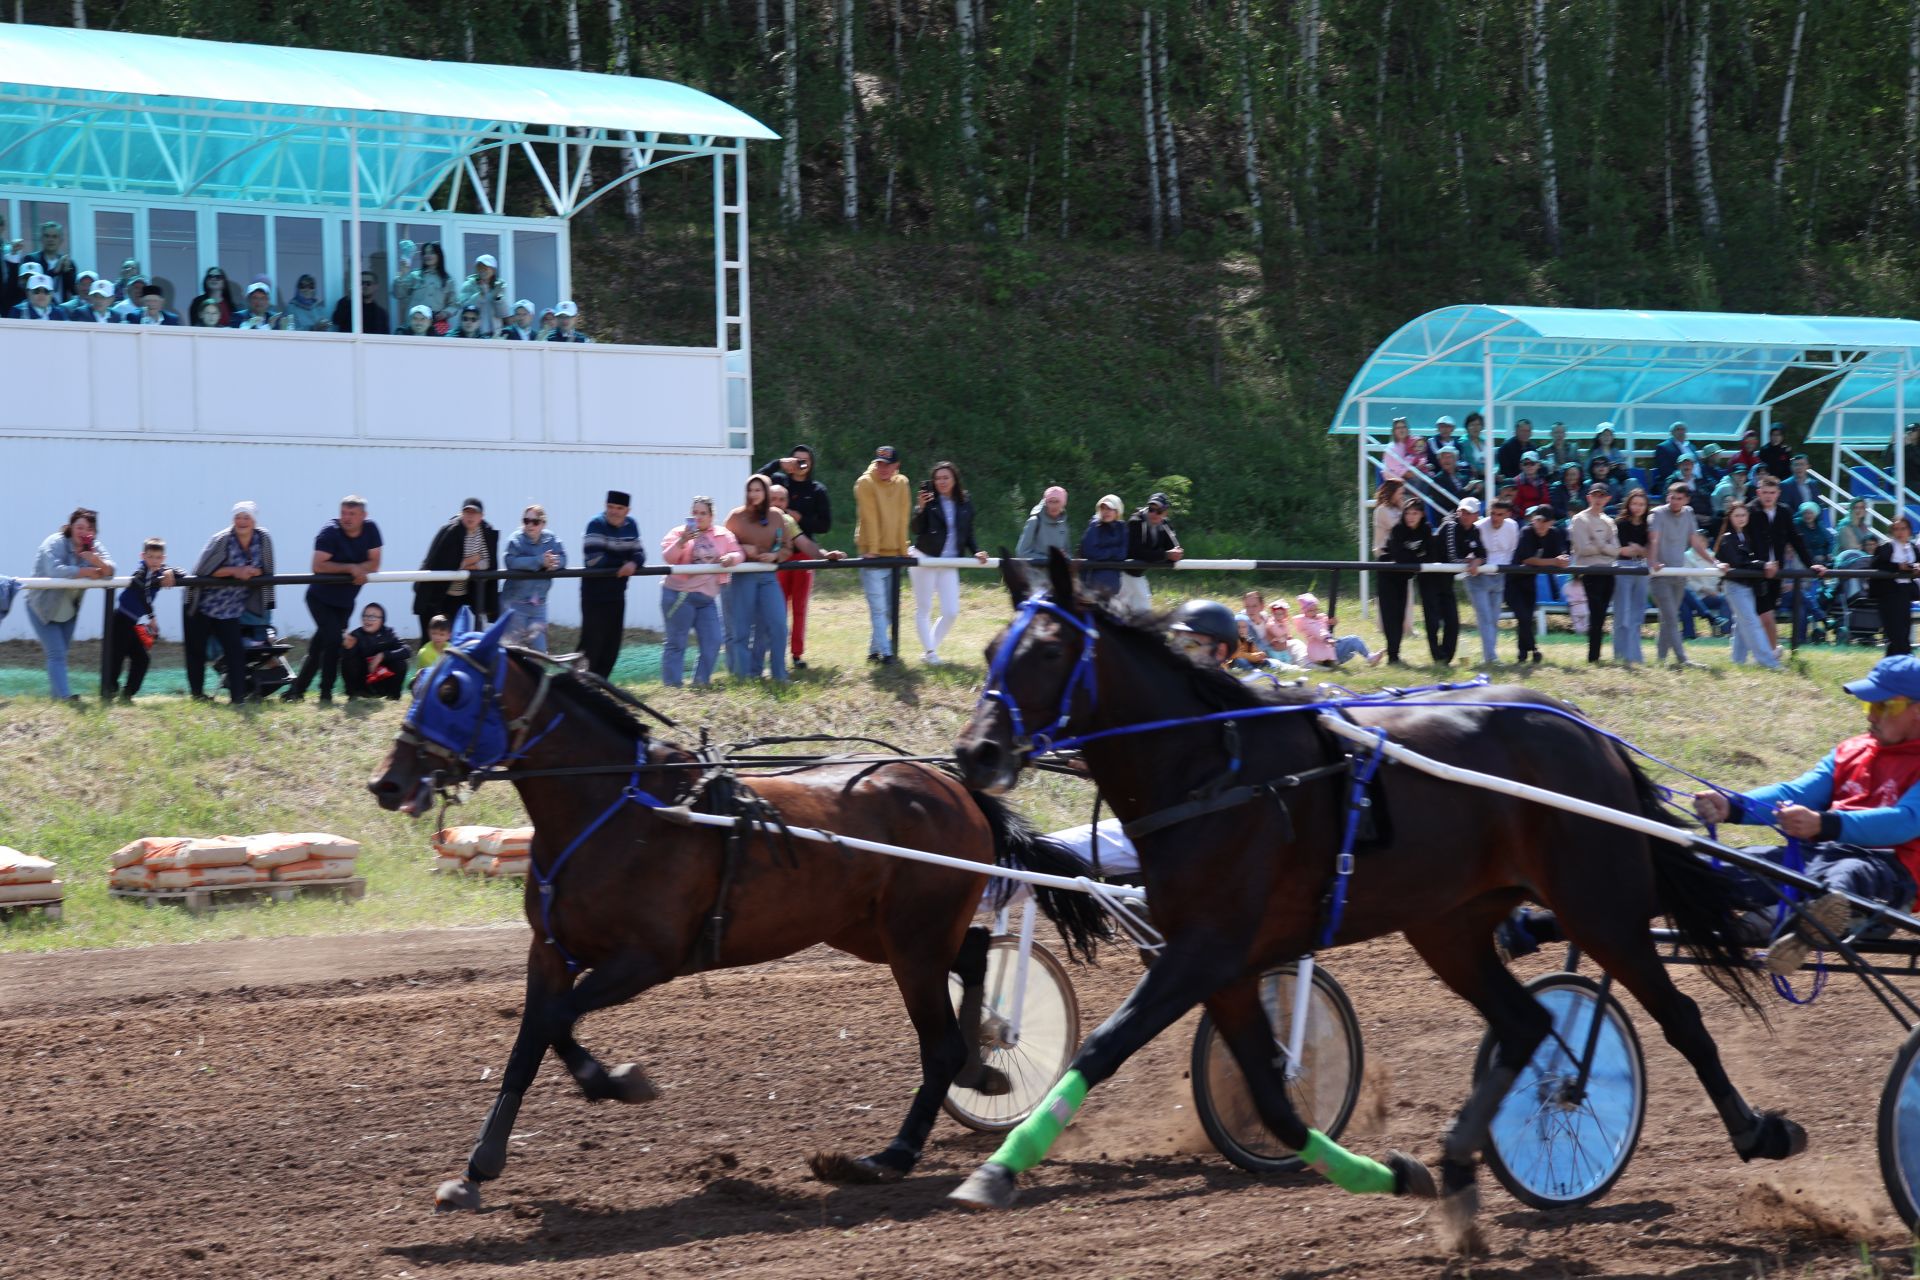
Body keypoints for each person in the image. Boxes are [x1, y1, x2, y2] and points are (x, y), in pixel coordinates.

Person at [1507, 655, 1920, 977]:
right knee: (1694, 872)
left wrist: (1825, 824)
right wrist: (1732, 805)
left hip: (1888, 870)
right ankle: (1537, 927)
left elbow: (1905, 821)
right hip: (1815, 856)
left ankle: (1809, 921)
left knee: (1843, 878)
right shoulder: (1852, 750)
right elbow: (1794, 793)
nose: (1870, 714)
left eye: (1885, 705)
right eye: (1869, 702)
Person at [283, 495, 384, 704]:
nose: (346, 518)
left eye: (352, 514)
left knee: (318, 646)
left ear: (364, 516)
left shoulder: (371, 529)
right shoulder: (329, 531)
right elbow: (318, 566)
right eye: (343, 513)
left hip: (345, 602)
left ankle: (297, 691)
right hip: (320, 598)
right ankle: (325, 693)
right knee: (333, 642)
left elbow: (374, 564)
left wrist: (359, 569)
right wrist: (351, 568)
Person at [184, 502, 275, 705]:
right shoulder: (222, 539)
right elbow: (203, 570)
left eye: (246, 517)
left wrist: (254, 571)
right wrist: (236, 571)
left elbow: (267, 569)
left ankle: (238, 698)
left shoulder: (263, 539)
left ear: (254, 520)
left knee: (236, 652)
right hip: (202, 603)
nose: (242, 522)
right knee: (196, 651)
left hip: (231, 607)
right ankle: (197, 695)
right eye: (238, 517)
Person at [28, 507, 114, 701]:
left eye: (89, 528)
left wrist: (95, 560)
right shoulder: (54, 542)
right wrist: (85, 571)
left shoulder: (94, 546)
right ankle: (66, 698)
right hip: (42, 608)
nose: (84, 532)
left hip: (69, 610)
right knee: (56, 654)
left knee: (61, 654)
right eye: (80, 527)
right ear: (70, 527)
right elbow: (54, 570)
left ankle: (56, 697)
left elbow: (111, 570)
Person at [759, 446, 832, 669]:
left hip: (803, 551)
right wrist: (780, 462)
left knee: (799, 606)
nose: (801, 465)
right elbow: (757, 480)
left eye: (805, 461)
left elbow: (825, 525)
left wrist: (801, 518)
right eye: (796, 460)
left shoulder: (817, 489)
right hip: (777, 551)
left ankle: (797, 653)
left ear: (811, 463)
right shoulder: (780, 479)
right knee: (777, 605)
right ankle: (774, 651)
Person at [909, 461, 989, 666]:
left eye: (946, 477)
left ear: (954, 479)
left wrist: (976, 551)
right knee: (924, 608)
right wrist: (921, 508)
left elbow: (968, 533)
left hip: (950, 560)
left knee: (951, 611)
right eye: (938, 478)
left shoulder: (965, 502)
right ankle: (930, 652)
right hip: (925, 557)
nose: (942, 482)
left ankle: (929, 651)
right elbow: (916, 529)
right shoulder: (930, 502)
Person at [660, 497, 744, 686]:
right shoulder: (678, 532)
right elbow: (668, 558)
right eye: (695, 513)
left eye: (703, 513)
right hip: (678, 595)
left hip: (706, 598)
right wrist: (682, 541)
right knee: (676, 643)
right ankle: (673, 687)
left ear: (711, 516)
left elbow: (740, 553)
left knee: (713, 641)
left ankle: (701, 681)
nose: (698, 517)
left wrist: (731, 558)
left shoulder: (723, 535)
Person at [724, 475, 792, 681]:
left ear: (766, 492)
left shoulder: (776, 516)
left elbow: (787, 546)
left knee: (779, 625)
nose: (753, 494)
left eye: (758, 490)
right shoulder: (736, 517)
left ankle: (779, 674)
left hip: (768, 576)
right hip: (743, 577)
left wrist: (775, 556)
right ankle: (743, 677)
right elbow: (724, 544)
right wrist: (742, 549)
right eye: (750, 490)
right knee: (742, 629)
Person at [1749, 476, 1826, 655]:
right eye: (1765, 492)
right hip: (1755, 570)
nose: (1768, 496)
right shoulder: (1750, 511)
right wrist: (1757, 564)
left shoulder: (1784, 512)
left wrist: (1812, 564)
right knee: (1763, 614)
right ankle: (1771, 651)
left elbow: (1796, 539)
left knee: (1763, 614)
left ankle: (1754, 652)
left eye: (1772, 493)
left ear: (1778, 493)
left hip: (1777, 571)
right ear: (1758, 492)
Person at [1649, 481, 1718, 666]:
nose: (1675, 502)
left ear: (1686, 499)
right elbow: (1653, 540)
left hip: (1679, 574)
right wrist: (1653, 561)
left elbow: (1695, 542)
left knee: (1667, 619)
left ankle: (1660, 660)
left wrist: (1715, 561)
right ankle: (1683, 659)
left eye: (1679, 498)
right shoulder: (1657, 514)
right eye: (1672, 497)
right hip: (1660, 575)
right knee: (1671, 616)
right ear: (1667, 497)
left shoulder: (1688, 513)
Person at [579, 490, 647, 680]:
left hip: (617, 593)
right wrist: (624, 563)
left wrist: (633, 563)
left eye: (619, 508)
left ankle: (599, 685)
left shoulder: (632, 525)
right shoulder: (596, 524)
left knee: (612, 646)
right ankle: (579, 686)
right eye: (610, 507)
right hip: (594, 594)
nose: (614, 512)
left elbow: (640, 554)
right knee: (591, 644)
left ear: (627, 510)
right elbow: (594, 559)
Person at [854, 444, 912, 664]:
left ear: (896, 465)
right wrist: (873, 551)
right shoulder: (865, 483)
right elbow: (869, 518)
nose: (883, 468)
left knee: (889, 609)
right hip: (872, 554)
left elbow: (902, 517)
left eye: (887, 464)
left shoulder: (902, 483)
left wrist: (903, 550)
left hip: (894, 555)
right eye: (879, 463)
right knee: (878, 607)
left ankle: (874, 651)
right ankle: (887, 654)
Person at [414, 499, 499, 641]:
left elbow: (487, 563)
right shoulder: (450, 531)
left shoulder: (486, 532)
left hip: (464, 595)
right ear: (461, 514)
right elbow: (440, 563)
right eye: (467, 512)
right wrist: (471, 560)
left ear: (481, 516)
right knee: (432, 638)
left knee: (456, 638)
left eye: (474, 513)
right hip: (438, 594)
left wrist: (464, 565)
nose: (470, 517)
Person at [107, 538, 179, 701]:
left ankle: (127, 694)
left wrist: (169, 571)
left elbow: (181, 572)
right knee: (116, 658)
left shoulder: (160, 571)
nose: (154, 561)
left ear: (163, 558)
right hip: (120, 620)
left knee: (141, 659)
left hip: (131, 622)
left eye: (158, 558)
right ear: (143, 556)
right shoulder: (141, 573)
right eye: (150, 557)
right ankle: (109, 692)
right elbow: (142, 593)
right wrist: (152, 617)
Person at [1713, 503, 1782, 670]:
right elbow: (1738, 562)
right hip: (1735, 586)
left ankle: (1738, 661)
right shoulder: (1728, 538)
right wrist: (1763, 565)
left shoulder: (1745, 536)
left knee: (1743, 624)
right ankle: (1769, 662)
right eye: (1737, 515)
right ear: (1730, 517)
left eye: (1743, 515)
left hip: (1746, 586)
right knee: (1751, 622)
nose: (1741, 518)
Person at [499, 505, 566, 653]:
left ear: (543, 524)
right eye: (526, 521)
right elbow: (510, 561)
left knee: (540, 652)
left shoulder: (552, 539)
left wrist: (553, 563)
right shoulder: (515, 540)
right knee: (512, 652)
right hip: (515, 605)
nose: (529, 525)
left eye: (534, 522)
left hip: (538, 606)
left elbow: (563, 558)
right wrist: (540, 561)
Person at [1568, 483, 1621, 664]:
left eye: (1602, 496)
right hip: (1591, 571)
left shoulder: (1609, 521)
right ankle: (1593, 656)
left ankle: (1596, 655)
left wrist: (1597, 544)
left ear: (1607, 499)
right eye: (1595, 495)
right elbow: (1583, 548)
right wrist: (1604, 546)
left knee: (1602, 614)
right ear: (1589, 497)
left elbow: (1616, 550)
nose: (1598, 499)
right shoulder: (1580, 519)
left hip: (1609, 571)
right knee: (1596, 613)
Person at [1513, 505, 1570, 663]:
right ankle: (1534, 649)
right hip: (1513, 581)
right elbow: (1527, 559)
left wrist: (1563, 559)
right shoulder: (1526, 532)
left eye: (1544, 521)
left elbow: (1561, 553)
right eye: (1537, 520)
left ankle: (1522, 654)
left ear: (1551, 522)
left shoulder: (1554, 534)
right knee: (1523, 617)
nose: (1540, 524)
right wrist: (1555, 561)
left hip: (1530, 580)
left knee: (1526, 618)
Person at [1430, 498, 1484, 664]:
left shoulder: (1474, 531)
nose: (1465, 516)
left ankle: (1445, 659)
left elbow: (1482, 553)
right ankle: (1438, 657)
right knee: (1433, 622)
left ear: (1476, 515)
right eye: (1462, 512)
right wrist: (1471, 562)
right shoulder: (1450, 526)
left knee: (1452, 621)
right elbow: (1452, 559)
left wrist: (1478, 560)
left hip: (1446, 580)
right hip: (1431, 578)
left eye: (1469, 513)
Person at [1378, 501, 1430, 665]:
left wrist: (1415, 559)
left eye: (1415, 513)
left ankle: (1395, 654)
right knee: (1390, 616)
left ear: (1421, 514)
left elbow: (1431, 554)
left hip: (1403, 577)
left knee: (1400, 616)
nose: (1410, 517)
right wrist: (1417, 558)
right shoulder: (1398, 529)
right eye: (1408, 513)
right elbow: (1399, 556)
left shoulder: (1425, 529)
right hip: (1387, 576)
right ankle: (1392, 656)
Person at [1468, 496, 1518, 664]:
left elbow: (1512, 550)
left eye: (1500, 514)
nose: (1496, 518)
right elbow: (1472, 551)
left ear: (1507, 514)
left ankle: (1490, 655)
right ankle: (1490, 656)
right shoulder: (1479, 527)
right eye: (1493, 513)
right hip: (1479, 576)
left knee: (1494, 617)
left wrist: (1505, 571)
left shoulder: (1512, 526)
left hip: (1500, 575)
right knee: (1485, 616)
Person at [1121, 492, 1183, 614]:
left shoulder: (1165, 524)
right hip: (1122, 573)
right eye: (1151, 509)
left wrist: (1173, 554)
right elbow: (1136, 552)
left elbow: (1174, 548)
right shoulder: (1135, 522)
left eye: (1159, 511)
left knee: (1143, 614)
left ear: (1165, 512)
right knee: (1121, 615)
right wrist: (1165, 555)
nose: (1154, 514)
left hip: (1137, 574)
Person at [1612, 489, 1653, 665]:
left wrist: (1639, 549)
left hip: (1641, 569)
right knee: (1622, 615)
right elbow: (1620, 549)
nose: (1638, 507)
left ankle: (1636, 656)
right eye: (1635, 503)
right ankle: (1621, 656)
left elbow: (1648, 551)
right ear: (1628, 504)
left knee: (1637, 615)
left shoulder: (1648, 526)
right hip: (1622, 568)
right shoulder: (1620, 524)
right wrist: (1638, 549)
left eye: (1641, 504)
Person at [1873, 518, 1920, 656]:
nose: (1900, 532)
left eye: (1903, 528)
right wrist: (1897, 567)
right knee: (1896, 633)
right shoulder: (1887, 547)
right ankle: (1907, 662)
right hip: (1889, 594)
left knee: (1903, 631)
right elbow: (1876, 565)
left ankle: (1892, 667)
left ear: (1909, 531)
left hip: (1905, 594)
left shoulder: (1912, 548)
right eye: (1896, 529)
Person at [1296, 592, 1379, 667]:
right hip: (1323, 653)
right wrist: (1327, 638)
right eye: (1310, 610)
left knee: (1350, 643)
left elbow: (1325, 625)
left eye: (1315, 609)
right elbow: (1317, 630)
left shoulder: (1318, 618)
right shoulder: (1306, 622)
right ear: (1304, 611)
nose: (1314, 612)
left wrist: (1333, 622)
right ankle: (1370, 657)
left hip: (1327, 650)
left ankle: (1339, 660)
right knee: (1353, 639)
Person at [393, 241, 455, 330]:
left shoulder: (447, 280)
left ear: (439, 255)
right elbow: (398, 293)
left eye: (431, 253)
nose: (427, 256)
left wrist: (445, 313)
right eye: (425, 253)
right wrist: (402, 273)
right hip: (415, 325)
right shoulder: (415, 276)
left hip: (437, 326)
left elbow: (454, 304)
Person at [1079, 494, 1130, 596]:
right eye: (1103, 508)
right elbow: (1091, 552)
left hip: (1113, 586)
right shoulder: (1094, 526)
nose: (1106, 512)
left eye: (1110, 509)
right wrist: (1113, 552)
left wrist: (1104, 553)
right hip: (1091, 586)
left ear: (1117, 511)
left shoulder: (1122, 528)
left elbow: (1123, 554)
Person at [20, 220, 76, 303]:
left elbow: (74, 291)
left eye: (54, 236)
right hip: (36, 308)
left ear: (61, 240)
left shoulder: (69, 263)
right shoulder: (31, 259)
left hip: (60, 311)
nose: (51, 240)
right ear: (41, 239)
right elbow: (28, 285)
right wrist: (54, 271)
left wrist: (68, 273)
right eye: (47, 236)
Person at [456, 254, 509, 337]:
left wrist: (497, 297)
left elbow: (503, 313)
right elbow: (464, 308)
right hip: (474, 334)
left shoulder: (499, 286)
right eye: (479, 267)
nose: (482, 270)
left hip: (494, 334)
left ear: (493, 270)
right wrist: (480, 295)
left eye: (486, 267)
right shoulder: (468, 285)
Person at [1015, 486, 1072, 561]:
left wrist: (1064, 557)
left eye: (1057, 501)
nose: (1053, 505)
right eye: (1050, 501)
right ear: (1046, 503)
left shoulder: (1063, 524)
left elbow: (1068, 554)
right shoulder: (1034, 521)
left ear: (1063, 504)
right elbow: (1022, 553)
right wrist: (1048, 559)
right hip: (1035, 571)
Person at [413, 615, 454, 690]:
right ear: (429, 633)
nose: (437, 637)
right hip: (428, 684)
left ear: (449, 635)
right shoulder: (424, 652)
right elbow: (426, 675)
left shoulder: (452, 649)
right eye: (434, 633)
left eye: (442, 634)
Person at [1652, 422, 1696, 491]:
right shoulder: (1663, 447)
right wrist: (1684, 479)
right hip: (1676, 482)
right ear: (1671, 433)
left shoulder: (1691, 447)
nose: (1681, 432)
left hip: (1697, 482)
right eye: (1678, 429)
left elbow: (1699, 465)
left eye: (1683, 429)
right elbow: (1665, 470)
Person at [1370, 478, 1407, 558]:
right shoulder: (1382, 510)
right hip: (1384, 551)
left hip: (1398, 550)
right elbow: (1398, 529)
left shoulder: (1397, 509)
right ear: (1392, 493)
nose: (1402, 496)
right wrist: (1404, 510)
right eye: (1400, 494)